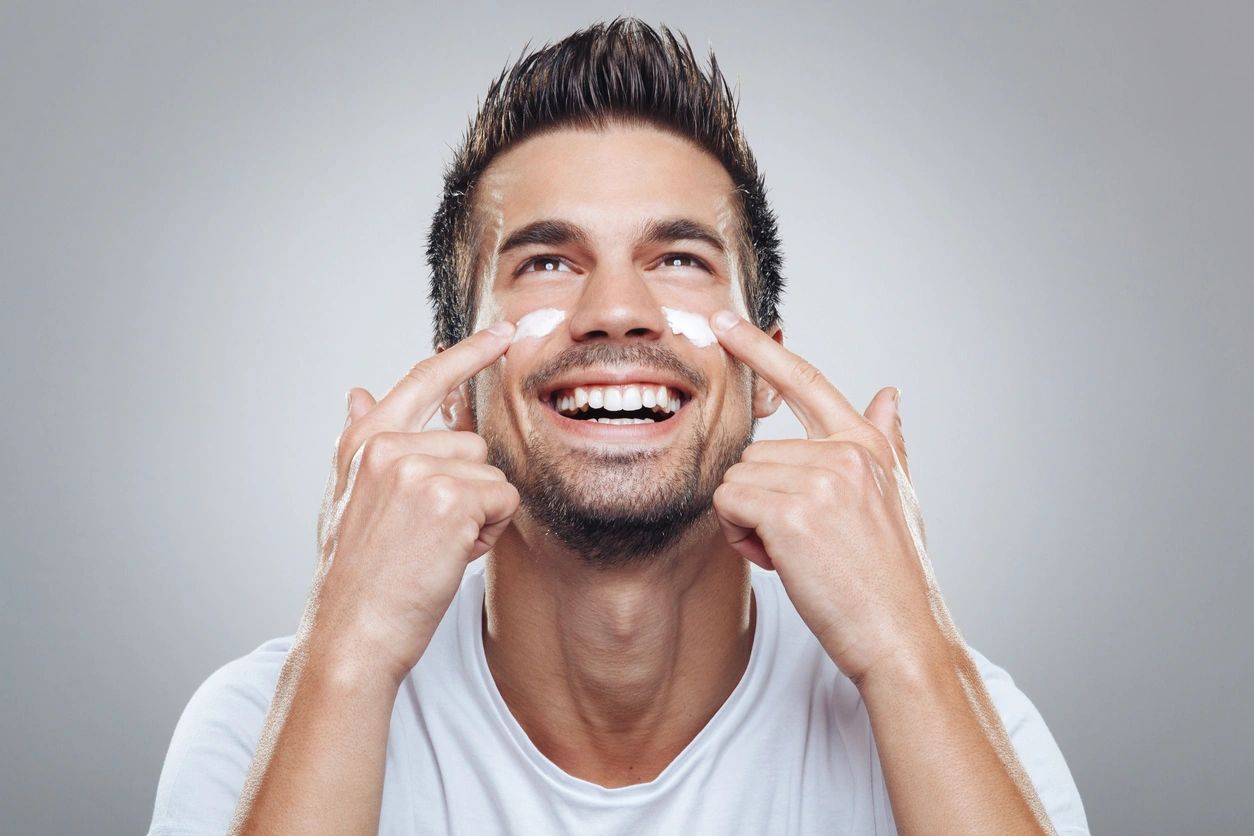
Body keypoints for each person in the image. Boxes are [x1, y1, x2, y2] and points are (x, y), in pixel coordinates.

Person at [149, 18, 1090, 836]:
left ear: (766, 370)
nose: (615, 309)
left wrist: (908, 649)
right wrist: (346, 654)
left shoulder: (966, 725)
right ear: (452, 383)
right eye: (547, 263)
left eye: (678, 257)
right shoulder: (265, 721)